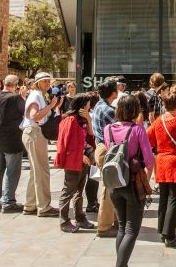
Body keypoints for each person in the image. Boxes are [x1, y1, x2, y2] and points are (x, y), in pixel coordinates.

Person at [104, 94, 155, 267]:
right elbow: (149, 159)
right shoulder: (137, 130)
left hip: (114, 182)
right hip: (133, 183)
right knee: (132, 230)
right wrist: (147, 177)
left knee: (122, 227)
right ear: (135, 111)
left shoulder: (108, 129)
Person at [146, 83, 176, 247]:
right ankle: (170, 235)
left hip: (162, 161)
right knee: (175, 200)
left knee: (164, 199)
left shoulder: (159, 120)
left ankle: (162, 231)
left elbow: (148, 139)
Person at [56, 93, 97, 232]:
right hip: (74, 160)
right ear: (81, 106)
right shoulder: (70, 120)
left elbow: (91, 138)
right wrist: (80, 155)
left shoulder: (83, 120)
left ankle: (80, 217)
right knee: (68, 190)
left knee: (79, 190)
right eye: (87, 105)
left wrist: (89, 120)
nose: (89, 107)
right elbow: (65, 142)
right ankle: (64, 221)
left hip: (84, 160)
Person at [22, 72, 61, 217]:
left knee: (36, 171)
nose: (47, 83)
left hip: (35, 132)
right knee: (41, 171)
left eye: (48, 81)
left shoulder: (38, 95)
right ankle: (43, 206)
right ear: (38, 83)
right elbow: (34, 115)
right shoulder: (36, 95)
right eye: (44, 81)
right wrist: (51, 106)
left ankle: (31, 204)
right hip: (34, 132)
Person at [0, 75, 26, 213]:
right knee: (12, 171)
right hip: (13, 140)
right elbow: (27, 113)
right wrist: (23, 96)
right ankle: (8, 202)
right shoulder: (15, 98)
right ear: (15, 85)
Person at [90, 78, 119, 236]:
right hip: (106, 149)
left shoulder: (99, 106)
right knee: (108, 188)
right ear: (113, 93)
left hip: (100, 147)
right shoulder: (108, 110)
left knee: (108, 186)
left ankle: (110, 221)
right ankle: (105, 225)